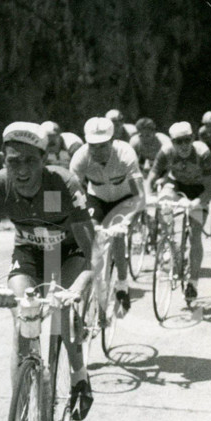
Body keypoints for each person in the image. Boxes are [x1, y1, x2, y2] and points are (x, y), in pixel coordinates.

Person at [0, 122, 96, 421]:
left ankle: (78, 375)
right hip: (29, 254)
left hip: (68, 253)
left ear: (44, 160)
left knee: (62, 315)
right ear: (3, 159)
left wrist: (77, 290)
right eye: (14, 161)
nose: (23, 170)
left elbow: (92, 253)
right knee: (23, 322)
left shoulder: (64, 184)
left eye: (31, 161)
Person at [69, 116, 145, 314]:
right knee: (91, 235)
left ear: (112, 141)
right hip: (97, 198)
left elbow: (140, 195)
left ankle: (121, 284)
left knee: (116, 234)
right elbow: (71, 192)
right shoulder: (80, 157)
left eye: (103, 146)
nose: (97, 151)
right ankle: (91, 278)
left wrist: (128, 222)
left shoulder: (126, 153)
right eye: (92, 145)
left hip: (124, 200)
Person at [147, 121, 211, 303]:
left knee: (195, 234)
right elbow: (152, 176)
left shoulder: (203, 153)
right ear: (172, 142)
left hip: (199, 190)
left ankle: (193, 282)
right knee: (162, 200)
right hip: (176, 186)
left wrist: (197, 203)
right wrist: (148, 196)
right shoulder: (166, 152)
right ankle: (169, 239)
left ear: (193, 138)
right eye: (178, 142)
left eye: (187, 140)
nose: (184, 145)